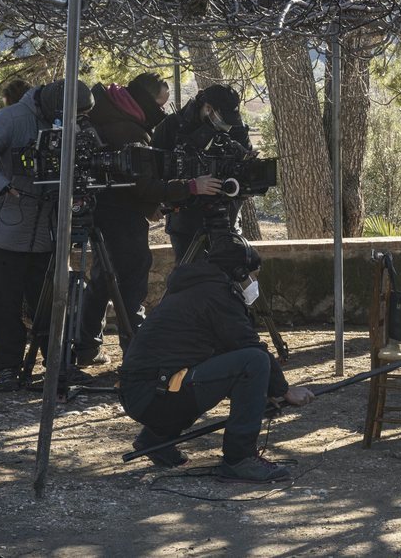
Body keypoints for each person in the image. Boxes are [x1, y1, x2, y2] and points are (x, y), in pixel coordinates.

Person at [118, 234, 314, 481]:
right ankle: (240, 458)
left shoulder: (199, 289)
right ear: (240, 272)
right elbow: (249, 347)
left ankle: (156, 438)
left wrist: (262, 393)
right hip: (155, 396)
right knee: (254, 361)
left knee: (226, 365)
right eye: (254, 276)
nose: (255, 283)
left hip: (145, 393)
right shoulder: (217, 295)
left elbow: (224, 355)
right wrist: (284, 390)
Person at [74, 73, 220, 366]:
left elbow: (125, 182)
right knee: (131, 282)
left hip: (101, 211)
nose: (162, 112)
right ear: (145, 99)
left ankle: (85, 347)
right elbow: (144, 185)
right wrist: (191, 186)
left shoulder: (104, 115)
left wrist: (147, 205)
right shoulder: (131, 132)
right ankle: (138, 355)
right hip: (123, 220)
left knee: (103, 280)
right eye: (160, 104)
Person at [0, 79, 94, 390]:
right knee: (4, 303)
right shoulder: (12, 119)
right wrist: (0, 185)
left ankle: (59, 365)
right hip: (8, 231)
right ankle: (7, 368)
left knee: (52, 304)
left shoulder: (71, 122)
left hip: (49, 233)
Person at [152, 84, 250, 262]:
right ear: (208, 108)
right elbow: (154, 170)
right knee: (190, 278)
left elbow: (245, 165)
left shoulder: (236, 127)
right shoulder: (173, 126)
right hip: (186, 222)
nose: (226, 126)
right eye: (223, 120)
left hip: (225, 218)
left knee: (231, 273)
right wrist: (188, 187)